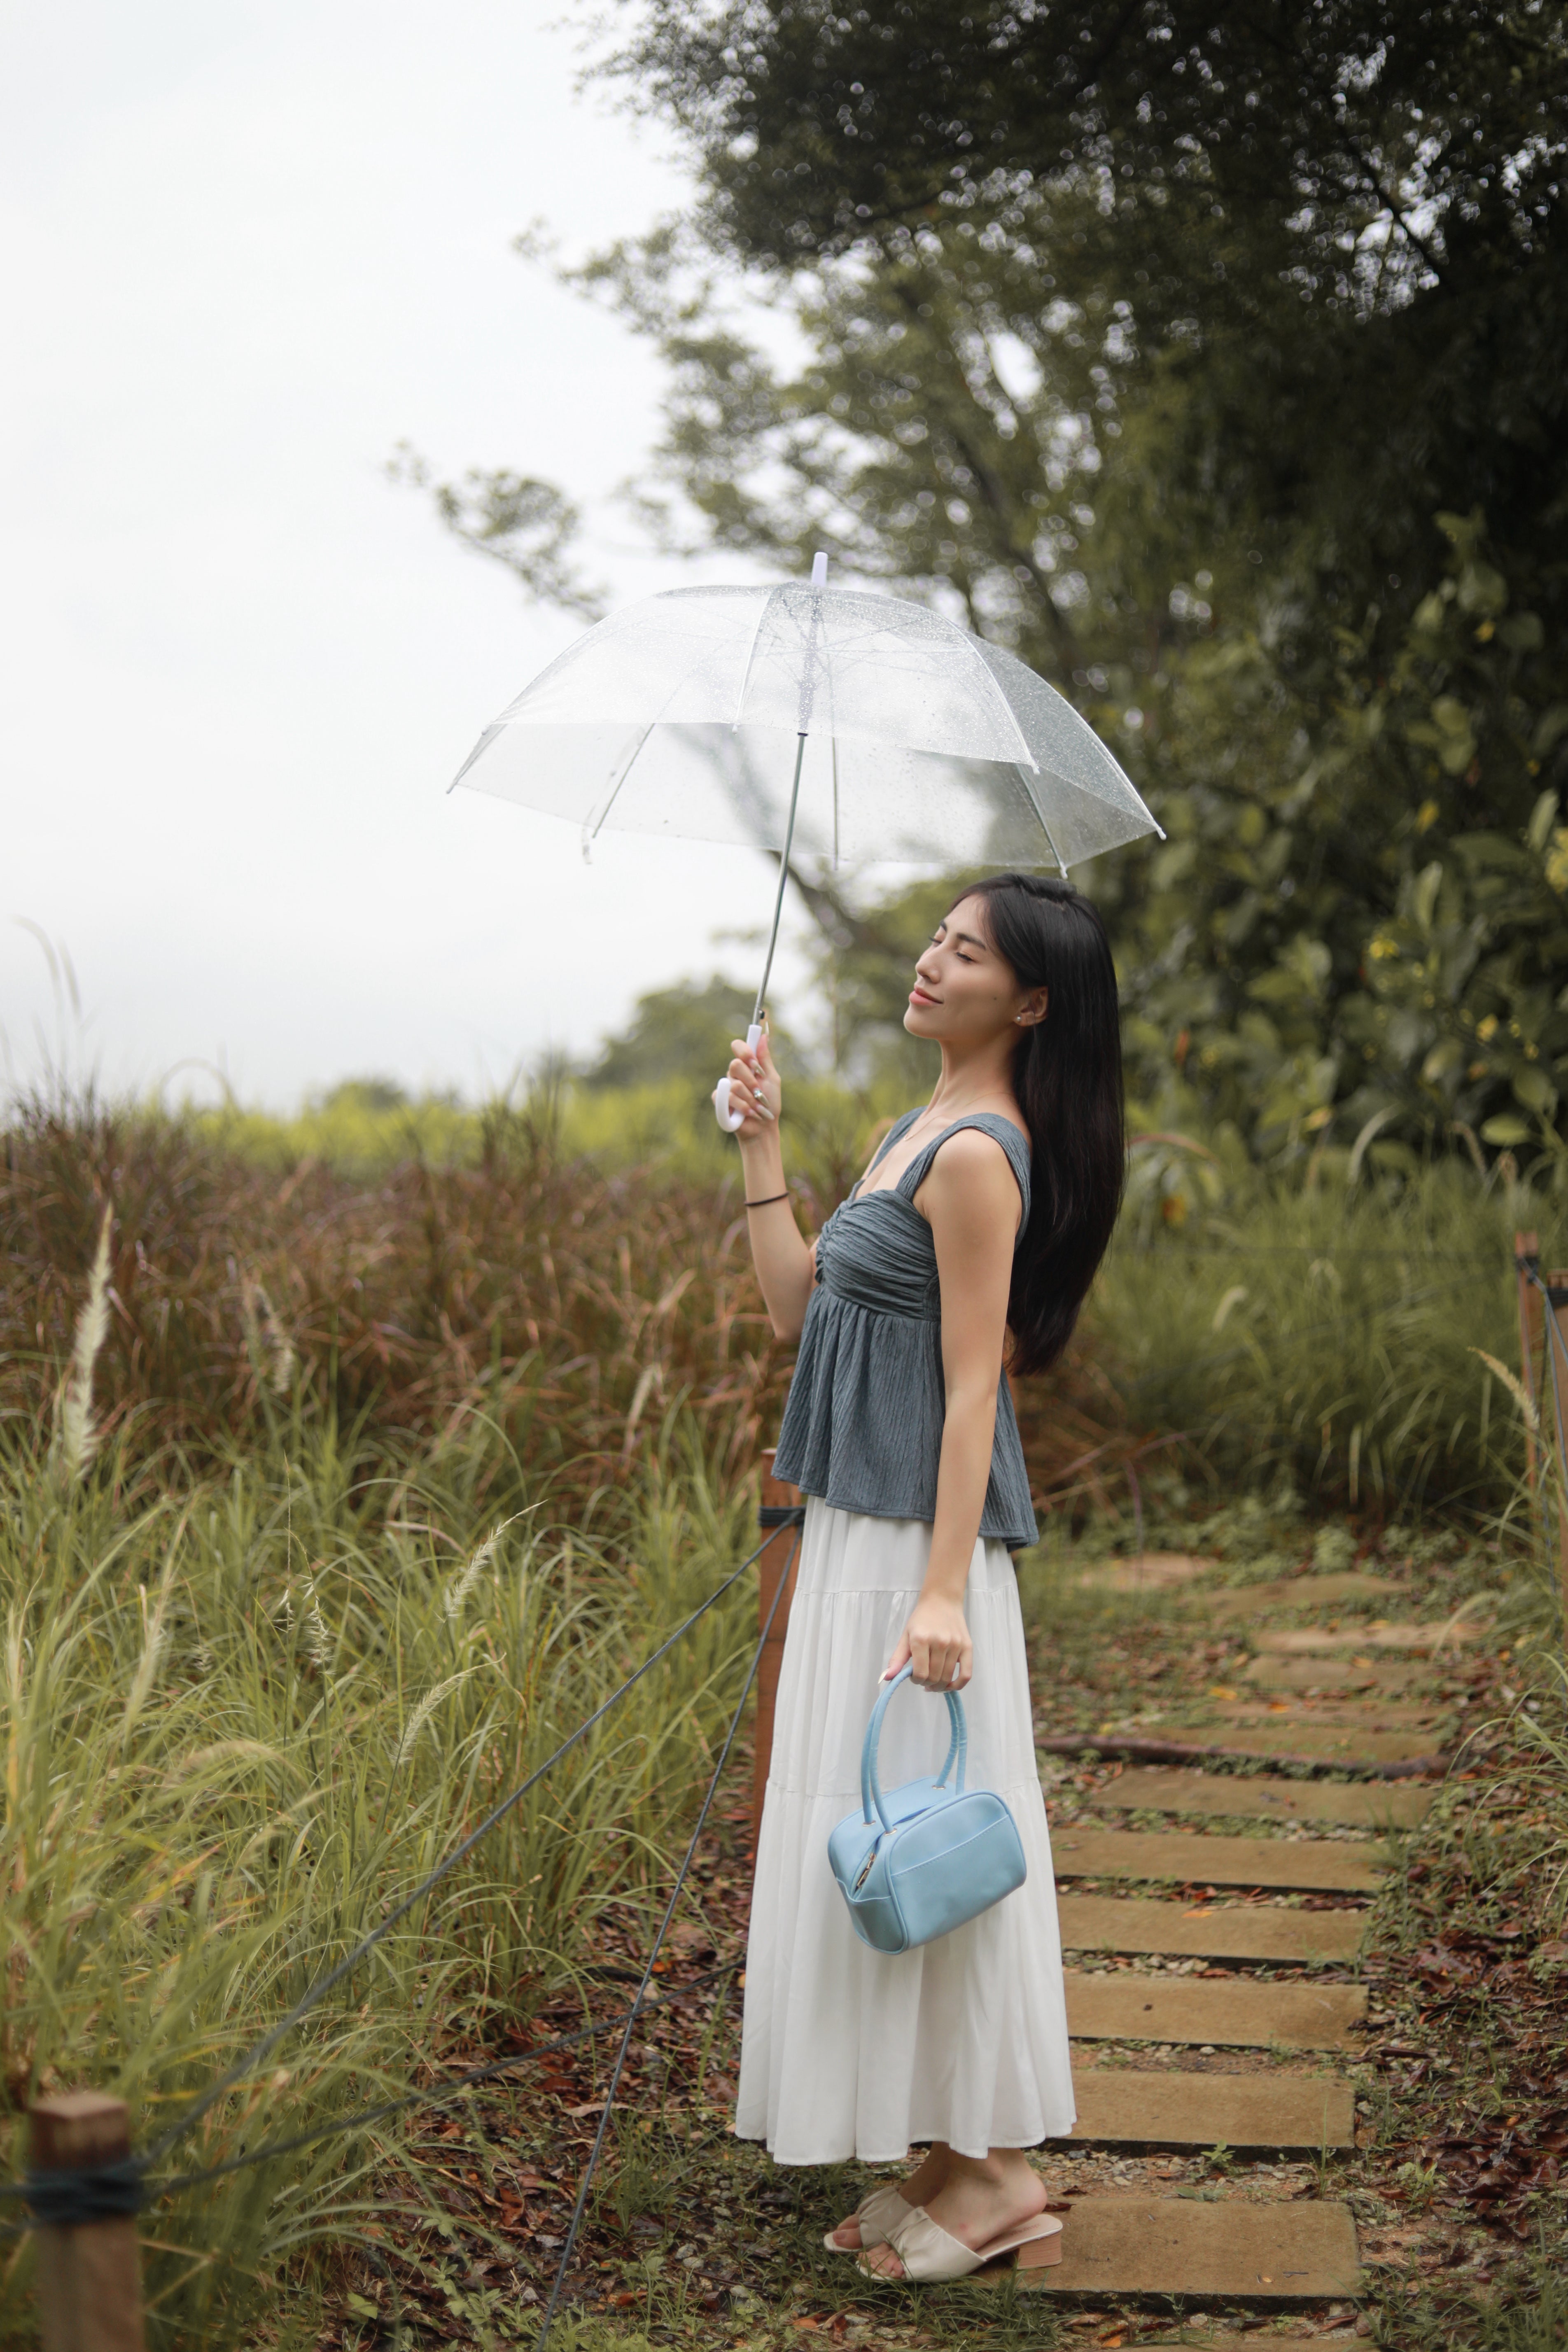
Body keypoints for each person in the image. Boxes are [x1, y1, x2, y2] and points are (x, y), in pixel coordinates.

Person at [723, 871, 1125, 2283]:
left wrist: (943, 1591)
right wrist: (763, 1145)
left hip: (913, 1544)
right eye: (936, 938)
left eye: (965, 952)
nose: (929, 960)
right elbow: (798, 1309)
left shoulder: (978, 1155)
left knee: (923, 1830)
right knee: (881, 1831)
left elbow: (975, 1391)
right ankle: (946, 2155)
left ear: (1027, 1001)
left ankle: (1001, 2170)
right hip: (861, 1525)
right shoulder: (914, 1129)